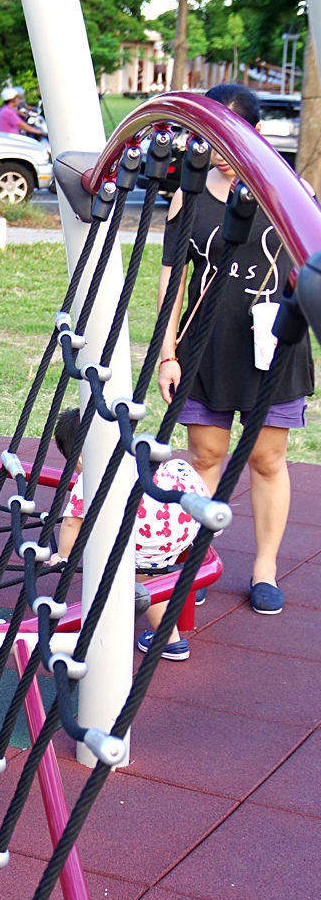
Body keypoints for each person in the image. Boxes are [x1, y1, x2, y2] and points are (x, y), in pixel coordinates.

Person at [157, 82, 314, 615]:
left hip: (274, 343)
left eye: (227, 133)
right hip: (207, 344)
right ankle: (195, 557)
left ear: (254, 134)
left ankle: (265, 568)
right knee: (205, 455)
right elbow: (172, 279)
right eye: (206, 133)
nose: (215, 146)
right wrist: (166, 351)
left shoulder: (294, 190)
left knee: (268, 459)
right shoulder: (191, 193)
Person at [51, 408, 209, 661]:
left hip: (149, 546)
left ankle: (169, 641)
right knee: (177, 467)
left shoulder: (91, 478)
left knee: (144, 581)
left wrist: (63, 555)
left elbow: (71, 523)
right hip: (189, 524)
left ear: (79, 458)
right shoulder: (139, 454)